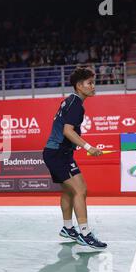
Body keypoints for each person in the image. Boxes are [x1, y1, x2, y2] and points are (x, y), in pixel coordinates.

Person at [42, 66, 107, 250]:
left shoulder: (70, 101)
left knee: (70, 191)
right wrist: (88, 147)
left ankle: (68, 228)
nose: (93, 86)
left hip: (58, 152)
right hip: (57, 153)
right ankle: (85, 234)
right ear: (79, 86)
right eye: (90, 83)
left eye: (93, 83)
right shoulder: (76, 105)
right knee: (81, 190)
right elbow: (67, 131)